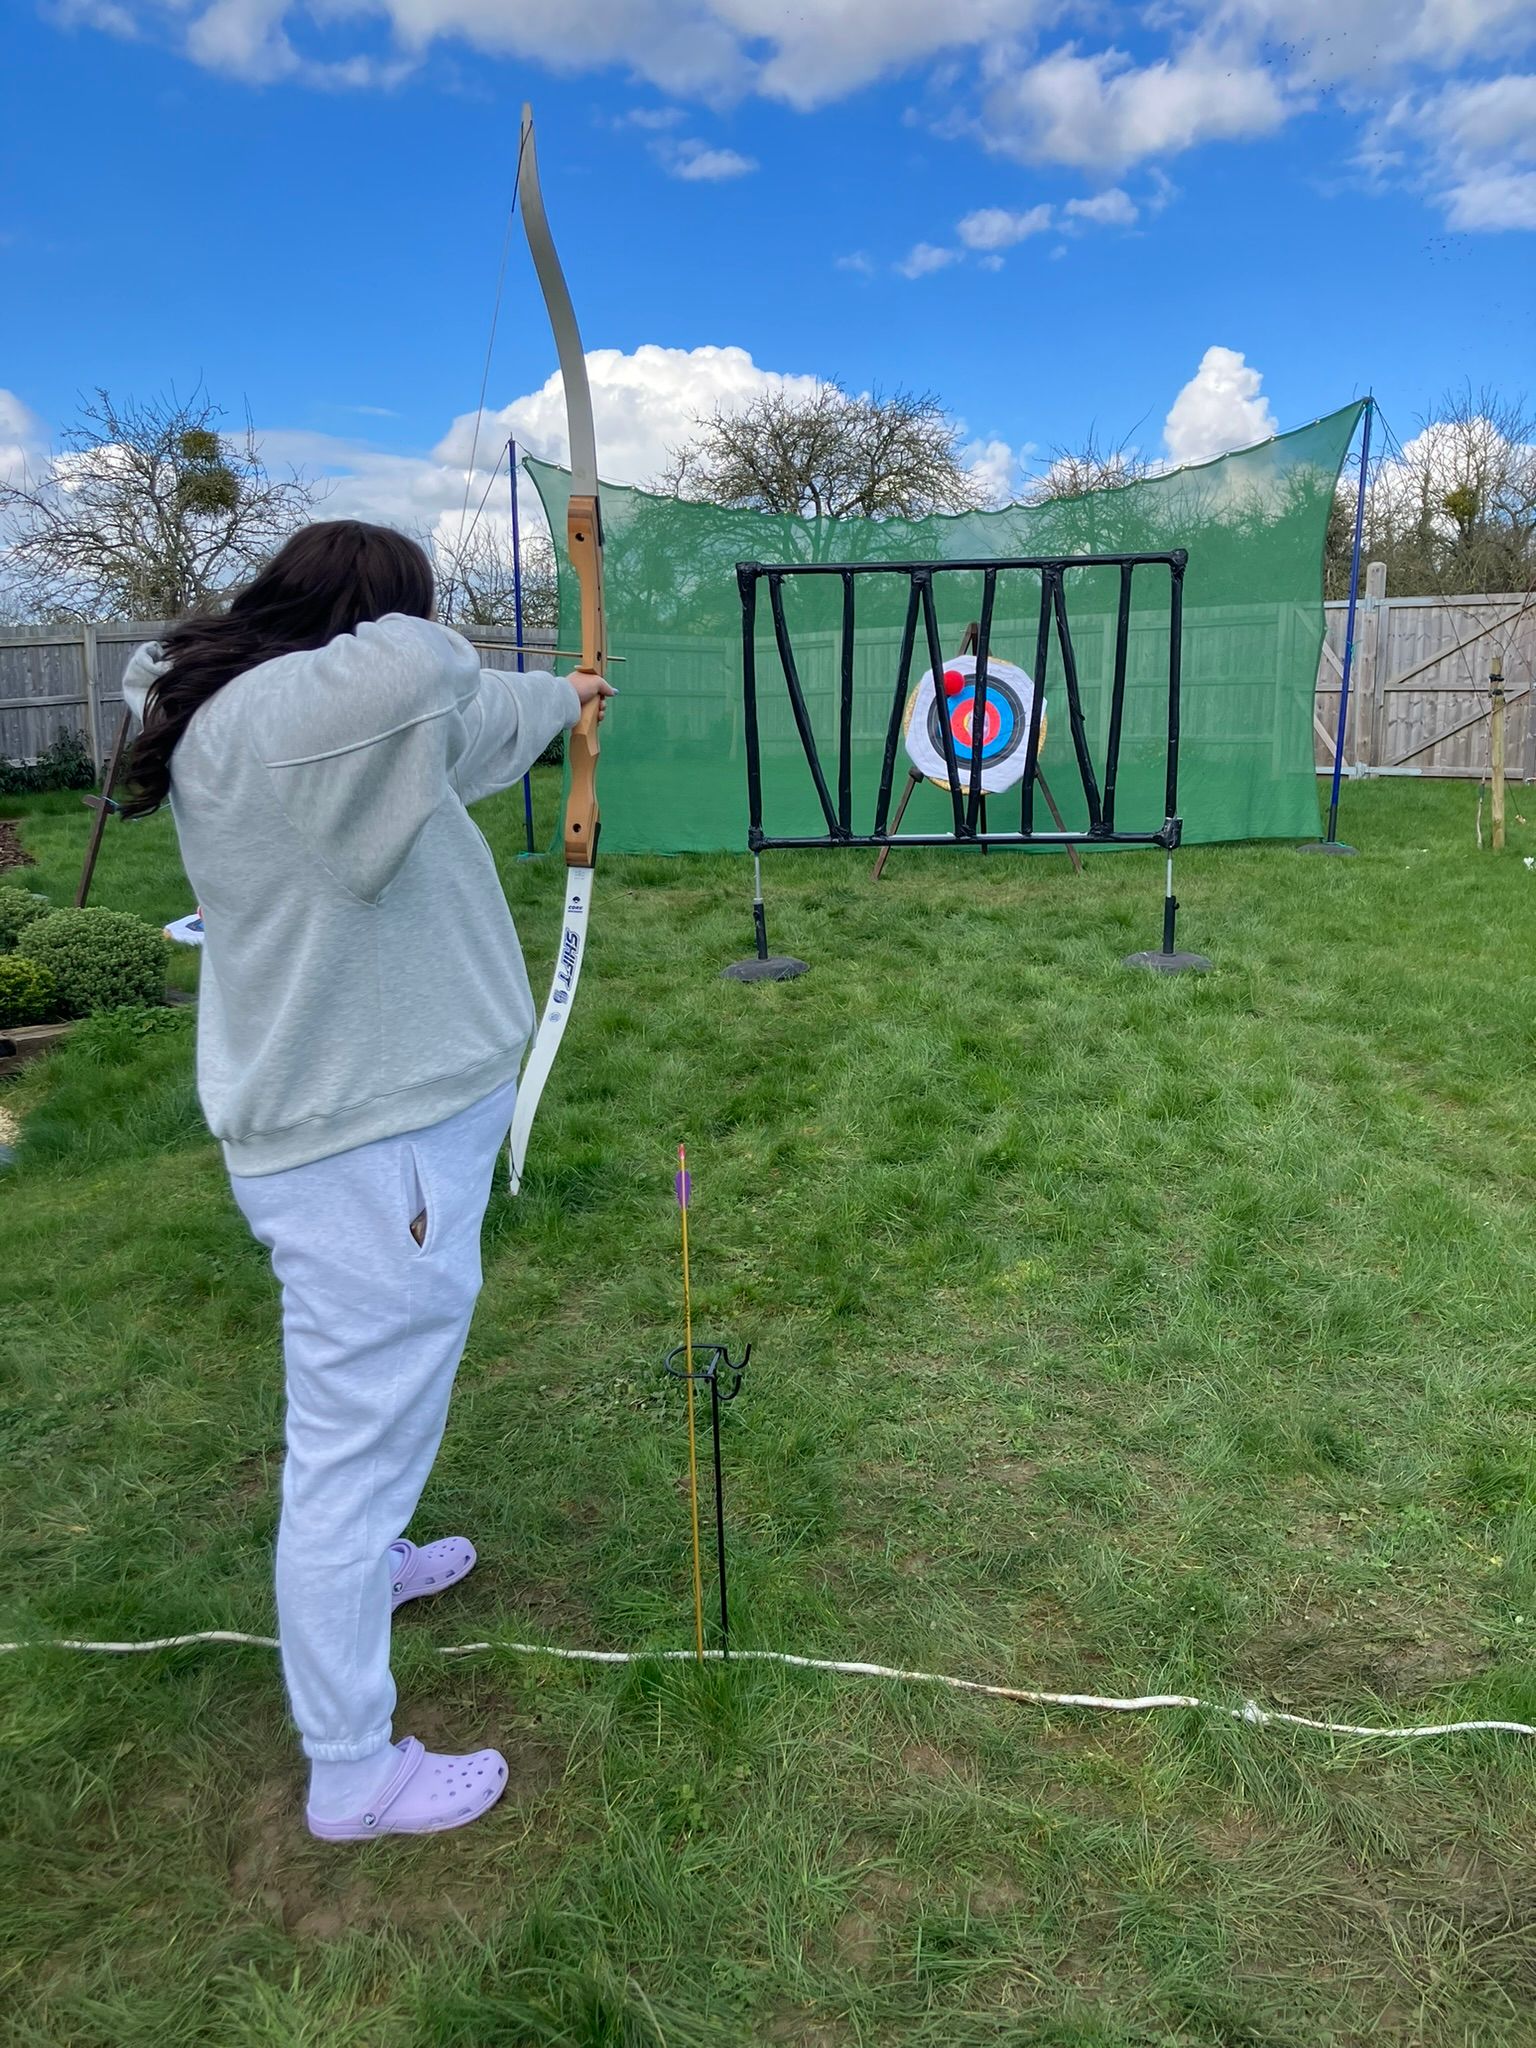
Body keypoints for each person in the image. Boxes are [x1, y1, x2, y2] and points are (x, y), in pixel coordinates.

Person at [120, 519, 613, 1841]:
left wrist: (561, 698)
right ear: (367, 611)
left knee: (371, 1424)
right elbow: (421, 675)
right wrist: (421, 622)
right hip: (365, 1150)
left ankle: (371, 1568)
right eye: (410, 607)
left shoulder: (321, 727)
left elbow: (456, 722)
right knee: (347, 1453)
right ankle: (354, 1770)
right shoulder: (291, 714)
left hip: (370, 1135)